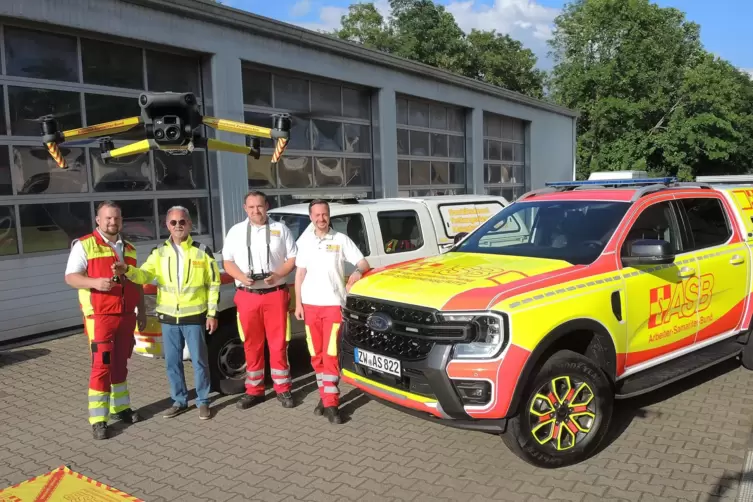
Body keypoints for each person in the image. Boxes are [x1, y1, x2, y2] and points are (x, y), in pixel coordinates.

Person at [112, 206, 221, 421]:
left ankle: (203, 401)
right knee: (172, 362)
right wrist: (128, 271)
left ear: (190, 224)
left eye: (182, 222)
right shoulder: (159, 252)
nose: (178, 225)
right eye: (173, 222)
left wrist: (212, 314)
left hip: (194, 316)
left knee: (199, 361)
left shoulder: (202, 250)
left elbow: (214, 283)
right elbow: (144, 276)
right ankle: (179, 401)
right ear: (167, 226)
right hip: (169, 318)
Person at [64, 201, 145, 440]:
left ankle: (121, 408)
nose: (113, 222)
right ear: (98, 220)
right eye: (108, 218)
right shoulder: (84, 245)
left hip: (126, 316)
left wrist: (142, 310)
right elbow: (70, 277)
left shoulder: (129, 248)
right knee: (102, 366)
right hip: (100, 317)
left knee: (121, 364)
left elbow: (135, 281)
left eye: (117, 218)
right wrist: (94, 283)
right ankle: (99, 419)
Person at [294, 199, 371, 424]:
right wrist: (298, 304)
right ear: (311, 217)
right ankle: (325, 396)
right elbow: (299, 275)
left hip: (333, 306)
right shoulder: (305, 241)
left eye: (324, 214)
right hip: (310, 307)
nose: (321, 218)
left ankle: (332, 403)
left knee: (330, 355)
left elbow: (363, 262)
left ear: (329, 215)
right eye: (317, 215)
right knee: (316, 354)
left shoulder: (340, 239)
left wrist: (357, 272)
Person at [222, 191, 297, 409]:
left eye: (260, 206)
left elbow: (292, 257)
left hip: (275, 294)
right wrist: (241, 277)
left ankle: (283, 388)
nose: (256, 211)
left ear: (267, 206)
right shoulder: (236, 231)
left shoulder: (280, 229)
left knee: (278, 343)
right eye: (252, 207)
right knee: (251, 344)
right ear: (245, 208)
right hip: (248, 295)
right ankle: (254, 390)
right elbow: (228, 261)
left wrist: (277, 275)